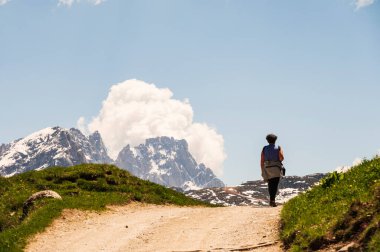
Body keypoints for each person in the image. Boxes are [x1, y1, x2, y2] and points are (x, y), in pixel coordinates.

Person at [260, 134, 284, 207]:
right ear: (275, 140)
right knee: (275, 184)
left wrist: (262, 170)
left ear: (267, 140)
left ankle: (271, 200)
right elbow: (281, 158)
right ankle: (272, 201)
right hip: (276, 167)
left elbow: (262, 160)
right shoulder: (278, 147)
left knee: (270, 184)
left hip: (267, 167)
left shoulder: (264, 148)